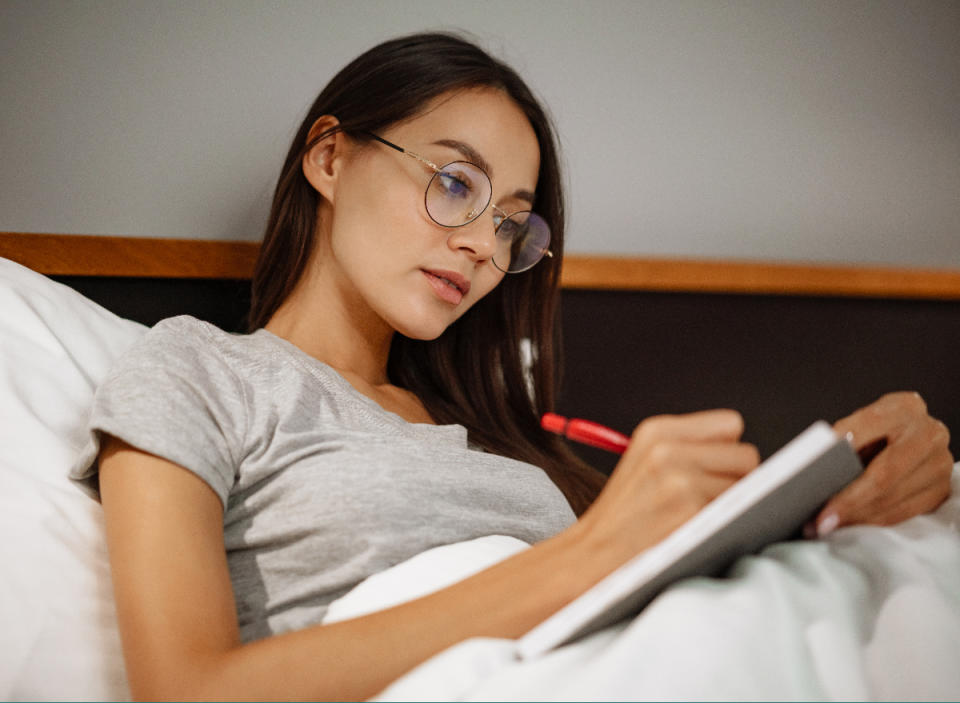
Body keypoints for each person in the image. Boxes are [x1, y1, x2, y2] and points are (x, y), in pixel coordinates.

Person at [74, 32, 953, 701]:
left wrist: (834, 502)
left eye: (509, 224)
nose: (480, 247)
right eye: (456, 183)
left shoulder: (488, 433)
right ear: (330, 156)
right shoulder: (197, 369)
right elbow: (188, 688)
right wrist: (596, 551)